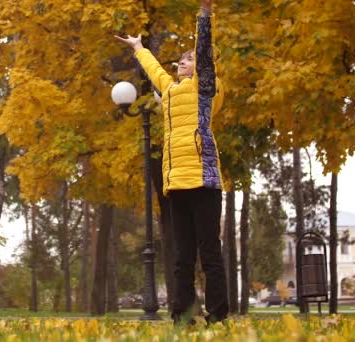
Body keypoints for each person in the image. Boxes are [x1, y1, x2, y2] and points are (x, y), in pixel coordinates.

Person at [115, 0, 228, 325]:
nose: (182, 62)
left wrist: (204, 16)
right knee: (182, 257)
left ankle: (218, 317)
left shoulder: (205, 88)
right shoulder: (171, 90)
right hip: (176, 183)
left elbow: (204, 51)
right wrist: (139, 48)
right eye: (180, 59)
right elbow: (154, 72)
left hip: (204, 182)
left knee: (210, 255)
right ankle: (183, 316)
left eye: (187, 59)